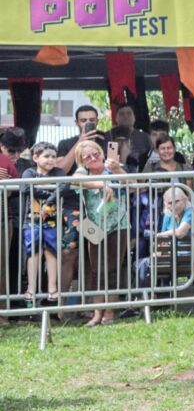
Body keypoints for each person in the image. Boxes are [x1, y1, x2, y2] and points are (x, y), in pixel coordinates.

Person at [74, 139, 129, 327]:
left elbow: (134, 183)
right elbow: (76, 180)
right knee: (98, 271)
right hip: (92, 224)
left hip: (119, 223)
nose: (93, 158)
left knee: (113, 270)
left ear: (102, 152)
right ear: (82, 160)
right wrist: (102, 184)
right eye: (87, 157)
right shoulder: (83, 171)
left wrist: (117, 170)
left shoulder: (113, 167)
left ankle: (110, 312)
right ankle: (97, 314)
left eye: (95, 154)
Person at [20, 142, 68, 304]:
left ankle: (52, 288)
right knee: (33, 251)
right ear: (35, 158)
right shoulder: (29, 172)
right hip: (32, 218)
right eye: (46, 156)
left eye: (53, 156)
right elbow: (27, 188)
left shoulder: (59, 172)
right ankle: (31, 288)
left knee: (51, 251)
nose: (51, 160)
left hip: (53, 220)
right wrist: (49, 194)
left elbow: (63, 186)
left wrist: (49, 203)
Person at [104, 105, 152, 173]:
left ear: (134, 117)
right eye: (122, 114)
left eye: (129, 113)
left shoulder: (145, 137)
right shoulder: (106, 136)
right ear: (116, 118)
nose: (125, 116)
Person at [56, 105, 102, 174]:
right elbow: (60, 171)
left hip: (101, 182)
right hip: (73, 183)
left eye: (92, 120)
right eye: (83, 120)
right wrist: (79, 142)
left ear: (97, 121)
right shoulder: (64, 144)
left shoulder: (106, 141)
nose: (88, 123)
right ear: (77, 123)